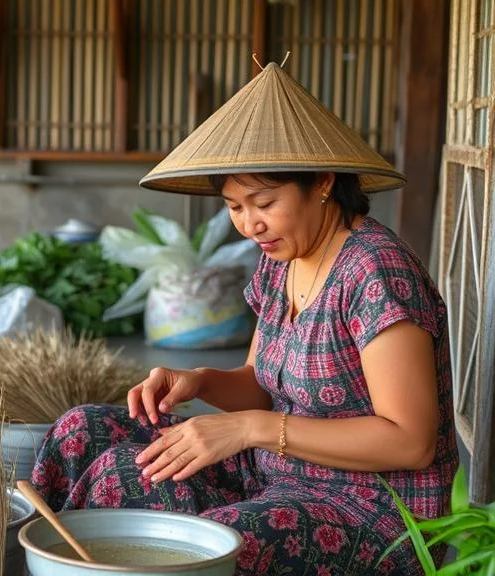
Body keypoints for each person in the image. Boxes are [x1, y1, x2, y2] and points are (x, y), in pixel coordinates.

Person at [31, 62, 458, 575]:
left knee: (225, 546)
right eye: (234, 206)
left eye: (264, 202)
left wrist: (250, 429)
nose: (249, 224)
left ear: (322, 183)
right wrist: (196, 382)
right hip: (274, 471)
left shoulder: (376, 271)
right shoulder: (282, 259)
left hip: (373, 510)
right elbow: (259, 383)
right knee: (86, 434)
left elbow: (410, 442)